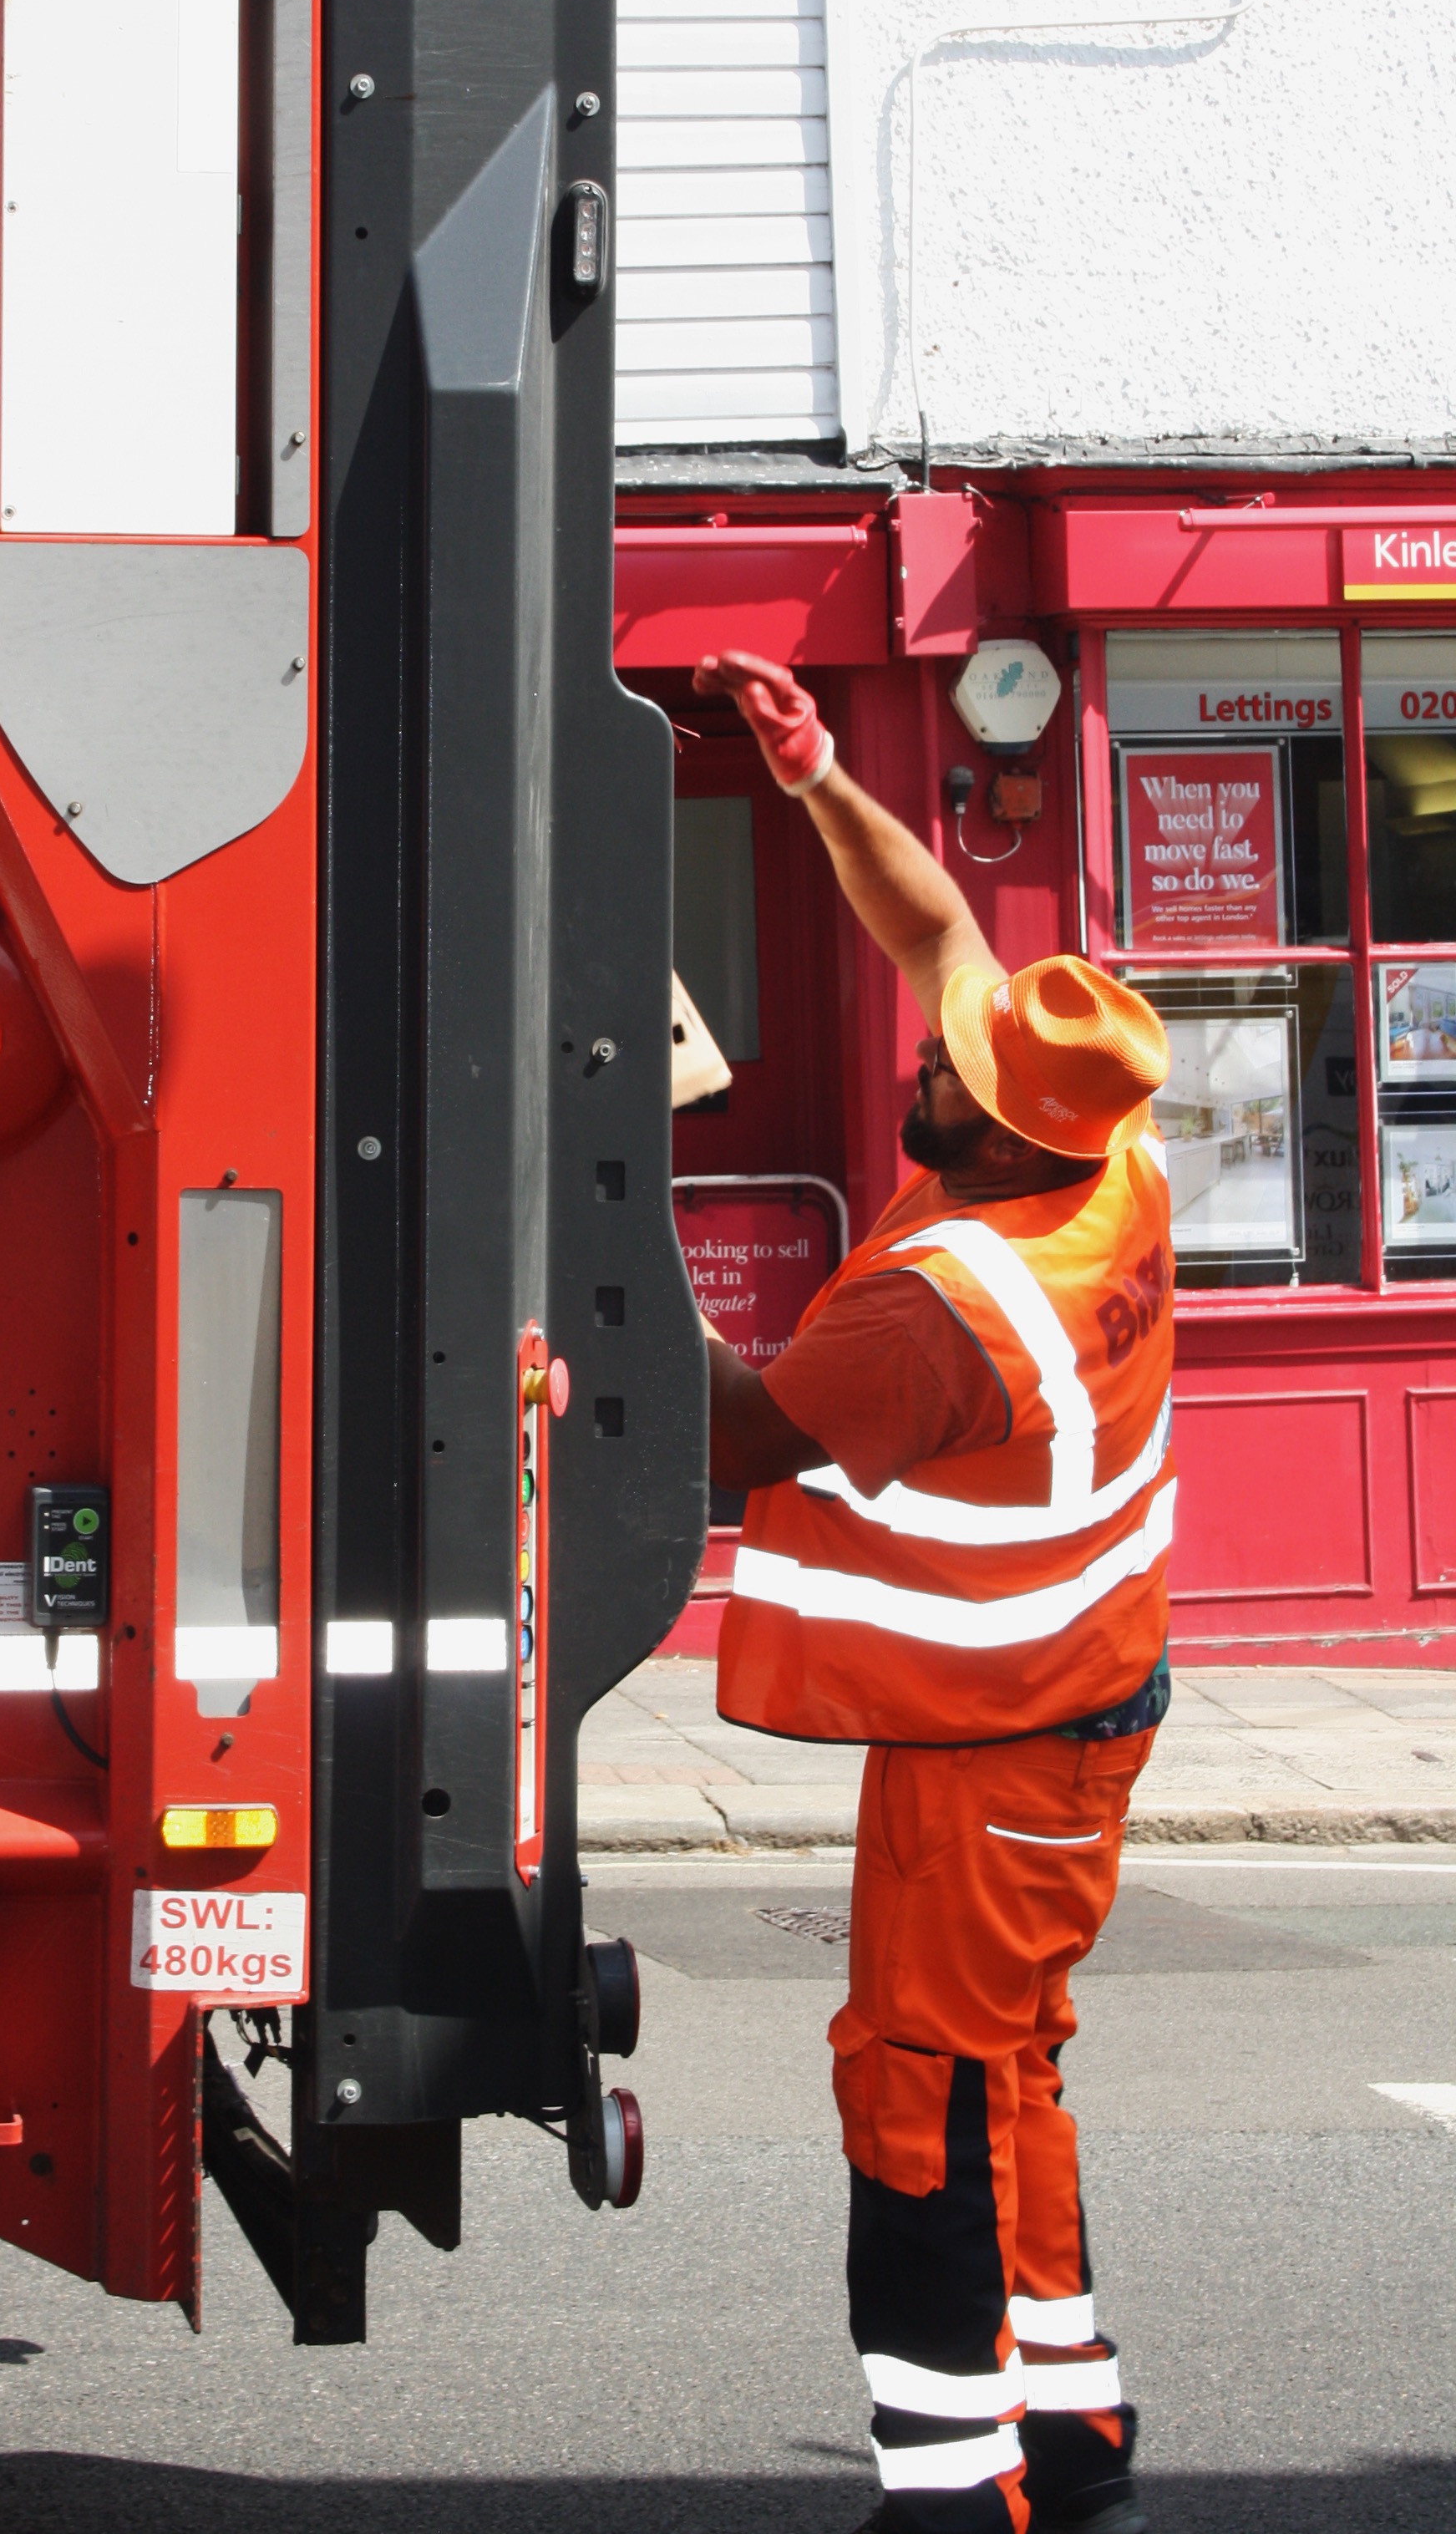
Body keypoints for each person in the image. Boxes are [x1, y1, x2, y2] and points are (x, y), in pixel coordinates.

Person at [695, 647, 1174, 2534]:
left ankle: (955, 2484)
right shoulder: (1101, 1149)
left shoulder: (944, 1311)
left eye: (948, 1089)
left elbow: (739, 1442)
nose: (927, 1058)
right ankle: (1073, 2419)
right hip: (1062, 1709)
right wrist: (815, 775)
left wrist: (588, 1232)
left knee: (921, 2095)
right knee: (1011, 2066)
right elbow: (941, 927)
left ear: (1006, 1139)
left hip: (1001, 1749)